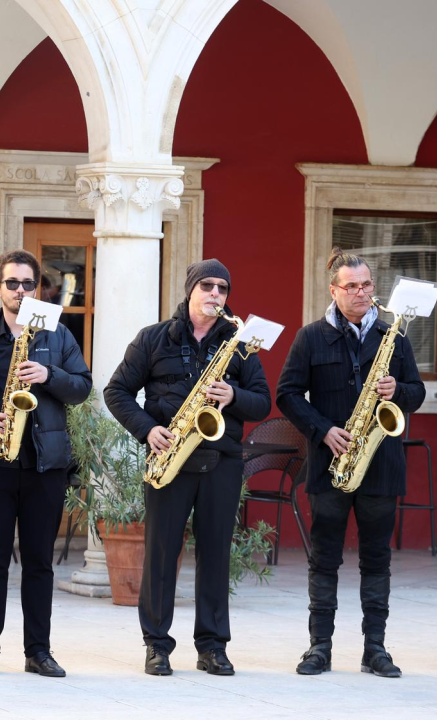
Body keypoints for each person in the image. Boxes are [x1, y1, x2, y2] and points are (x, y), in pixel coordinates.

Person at [104, 258, 271, 677]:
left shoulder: (240, 341)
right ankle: (156, 645)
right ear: (190, 290)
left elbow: (263, 401)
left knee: (215, 555)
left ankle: (213, 646)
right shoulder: (154, 338)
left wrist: (233, 395)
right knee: (161, 554)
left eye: (223, 289)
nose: (216, 294)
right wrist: (148, 430)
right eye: (208, 286)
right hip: (169, 457)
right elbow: (117, 391)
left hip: (222, 460)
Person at [276, 248, 425, 679]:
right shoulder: (310, 337)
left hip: (381, 463)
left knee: (377, 560)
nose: (362, 293)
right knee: (324, 559)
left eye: (367, 285)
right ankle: (319, 647)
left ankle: (374, 649)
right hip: (331, 463)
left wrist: (398, 389)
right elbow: (286, 394)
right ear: (334, 290)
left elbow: (416, 392)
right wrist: (322, 430)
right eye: (352, 287)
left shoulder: (393, 335)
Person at [0, 249, 91, 678]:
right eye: (13, 283)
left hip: (46, 466)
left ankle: (38, 652)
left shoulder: (58, 336)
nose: (21, 291)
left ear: (38, 288)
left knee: (40, 562)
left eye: (29, 284)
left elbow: (82, 387)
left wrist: (49, 377)